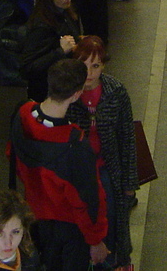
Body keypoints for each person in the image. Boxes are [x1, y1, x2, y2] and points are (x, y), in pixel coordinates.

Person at [8, 59, 108, 271]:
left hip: (34, 218)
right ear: (76, 94)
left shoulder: (22, 114)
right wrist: (95, 240)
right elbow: (87, 199)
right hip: (69, 229)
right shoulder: (74, 144)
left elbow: (13, 157)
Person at [66, 36, 137, 271]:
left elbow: (127, 138)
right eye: (84, 65)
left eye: (95, 66)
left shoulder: (116, 92)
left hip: (108, 169)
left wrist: (129, 183)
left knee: (111, 223)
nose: (89, 72)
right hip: (78, 176)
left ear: (103, 66)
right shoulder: (67, 93)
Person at [19, 0, 82, 102]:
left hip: (65, 85)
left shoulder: (66, 12)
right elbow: (27, 68)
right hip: (48, 95)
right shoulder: (41, 26)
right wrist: (60, 52)